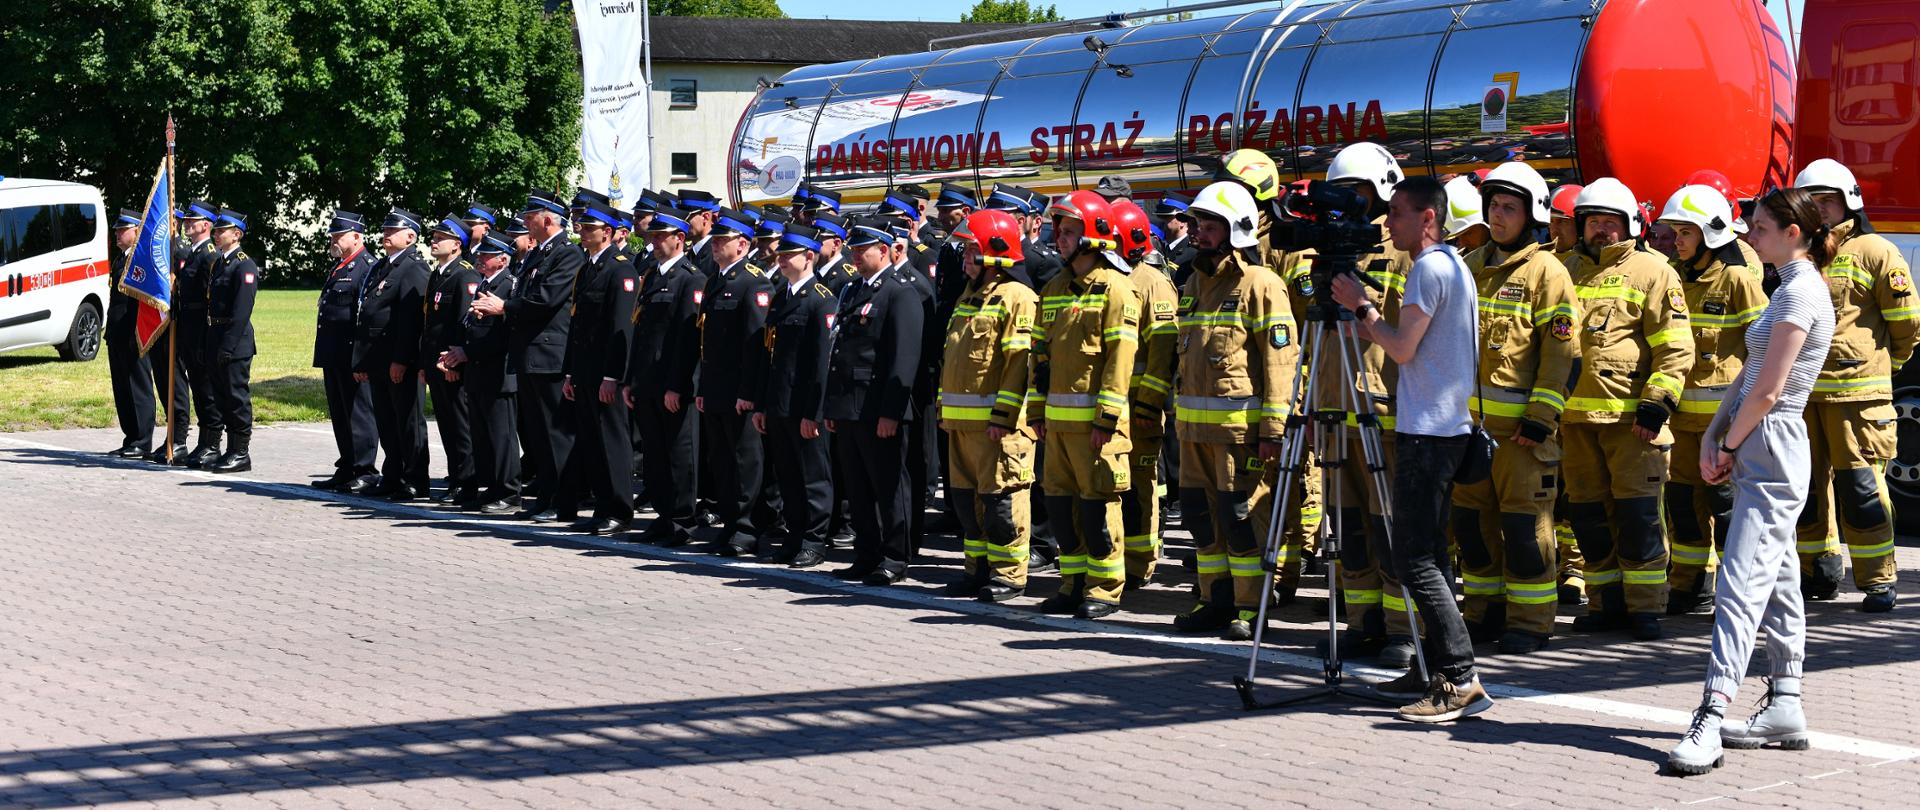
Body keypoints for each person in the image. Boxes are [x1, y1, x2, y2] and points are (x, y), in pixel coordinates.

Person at [1667, 187, 1837, 775]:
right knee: (1780, 574)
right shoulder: (1787, 288)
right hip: (1761, 439)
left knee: (1740, 584)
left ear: (1795, 232)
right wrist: (1719, 434)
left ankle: (1711, 714)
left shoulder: (1803, 291)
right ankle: (1785, 700)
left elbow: (1768, 390)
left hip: (1773, 439)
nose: (1750, 235)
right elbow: (1748, 378)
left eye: (1761, 226)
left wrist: (1728, 444)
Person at [1330, 175, 1492, 723]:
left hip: (1430, 434)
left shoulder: (1428, 267)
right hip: (1445, 429)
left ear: (1428, 218)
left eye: (1397, 212)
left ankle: (1460, 678)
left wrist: (1360, 306)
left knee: (1414, 558)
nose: (1387, 222)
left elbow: (1400, 348)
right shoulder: (1454, 266)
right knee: (1432, 556)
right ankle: (1432, 669)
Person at [1452, 162, 1580, 655]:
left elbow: (1562, 355)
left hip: (1523, 438)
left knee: (1527, 532)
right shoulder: (1471, 264)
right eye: (1493, 206)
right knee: (1472, 529)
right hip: (1469, 433)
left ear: (1531, 215)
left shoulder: (1547, 272)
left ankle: (1529, 620)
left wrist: (1540, 419)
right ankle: (1483, 613)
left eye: (1509, 207)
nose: (1498, 215)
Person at [1559, 178, 1694, 640]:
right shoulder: (1563, 271)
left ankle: (1645, 607)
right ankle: (1604, 604)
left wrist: (1656, 405)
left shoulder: (1654, 272)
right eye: (1593, 222)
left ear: (1630, 225)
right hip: (1574, 423)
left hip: (1633, 423)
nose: (1601, 230)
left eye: (1610, 223)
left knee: (1639, 519)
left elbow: (1675, 348)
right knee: (1590, 521)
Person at [1167, 182, 1296, 640]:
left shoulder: (1261, 285)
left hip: (1239, 436)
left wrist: (1273, 429)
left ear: (1236, 229)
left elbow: (1281, 362)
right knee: (1203, 521)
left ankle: (1249, 606)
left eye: (1210, 226)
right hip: (1194, 435)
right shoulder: (1194, 282)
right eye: (1198, 225)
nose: (1199, 233)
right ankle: (1213, 599)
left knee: (1242, 521)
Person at [1790, 158, 1916, 612]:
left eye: (1828, 201)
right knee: (1805, 492)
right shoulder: (1797, 255)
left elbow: (1906, 325)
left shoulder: (1875, 251)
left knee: (1862, 489)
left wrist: (1885, 365)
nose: (1821, 210)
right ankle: (1817, 573)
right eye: (1813, 202)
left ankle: (1879, 581)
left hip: (1858, 396)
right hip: (1803, 394)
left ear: (1849, 203)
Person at [1317, 142, 1416, 667]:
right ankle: (1363, 621)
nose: (1349, 205)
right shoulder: (1330, 253)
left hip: (1383, 414)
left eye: (1359, 193)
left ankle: (1404, 628)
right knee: (1349, 525)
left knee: (1390, 526)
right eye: (1343, 194)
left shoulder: (1403, 254)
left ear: (1381, 192)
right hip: (1334, 410)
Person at [1658, 185, 1768, 616]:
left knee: (1726, 509)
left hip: (1725, 423)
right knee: (1682, 504)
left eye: (1686, 232)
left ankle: (1737, 591)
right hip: (1681, 418)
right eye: (1676, 231)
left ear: (1711, 234)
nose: (1678, 240)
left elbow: (1763, 346)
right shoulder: (1670, 275)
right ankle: (1688, 585)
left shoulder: (1738, 280)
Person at [1031, 191, 1141, 619]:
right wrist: (1037, 412)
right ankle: (1072, 584)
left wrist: (1107, 420)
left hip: (1097, 430)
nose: (1059, 237)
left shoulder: (1116, 290)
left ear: (1093, 236)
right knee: (1061, 508)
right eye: (1058, 229)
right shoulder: (1056, 288)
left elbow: (1120, 363)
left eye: (1070, 230)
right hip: (1056, 428)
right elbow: (1039, 357)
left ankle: (1104, 588)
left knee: (1097, 510)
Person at [936, 209, 1040, 602]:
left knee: (1002, 503)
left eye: (970, 251)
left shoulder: (1019, 298)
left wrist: (1004, 417)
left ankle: (1009, 574)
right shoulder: (970, 295)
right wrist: (945, 409)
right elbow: (954, 359)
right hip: (962, 428)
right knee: (966, 504)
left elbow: (1019, 364)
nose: (964, 258)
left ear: (993, 253)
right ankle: (977, 570)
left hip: (998, 429)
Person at [824, 215, 925, 586]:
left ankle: (896, 557)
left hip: (879, 407)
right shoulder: (852, 289)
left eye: (861, 248)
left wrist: (891, 412)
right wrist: (833, 406)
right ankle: (866, 555)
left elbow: (904, 358)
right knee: (858, 487)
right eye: (852, 248)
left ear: (883, 250)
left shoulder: (900, 292)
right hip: (850, 407)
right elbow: (840, 351)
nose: (854, 254)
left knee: (889, 486)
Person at [472, 190, 581, 519]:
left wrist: (503, 306)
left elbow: (546, 299)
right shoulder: (537, 254)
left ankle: (564, 502)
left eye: (530, 216)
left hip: (549, 354)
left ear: (548, 219)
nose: (525, 221)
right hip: (529, 354)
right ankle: (546, 497)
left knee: (555, 433)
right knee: (537, 435)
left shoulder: (567, 254)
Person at [747, 223, 838, 568]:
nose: (782, 260)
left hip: (803, 406)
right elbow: (769, 357)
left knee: (813, 477)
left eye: (789, 255)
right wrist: (762, 404)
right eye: (781, 254)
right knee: (788, 476)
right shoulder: (781, 296)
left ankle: (814, 541)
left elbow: (820, 363)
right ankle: (795, 535)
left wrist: (813, 413)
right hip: (779, 403)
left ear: (809, 257)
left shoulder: (821, 299)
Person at [696, 208, 779, 555]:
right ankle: (731, 523)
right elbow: (706, 343)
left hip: (739, 392)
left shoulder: (754, 282)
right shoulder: (716, 280)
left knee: (746, 462)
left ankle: (747, 528)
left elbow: (756, 346)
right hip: (715, 389)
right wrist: (703, 388)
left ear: (742, 245)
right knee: (723, 462)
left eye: (722, 240)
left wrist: (749, 393)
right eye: (714, 240)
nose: (715, 246)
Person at [624, 207, 707, 546]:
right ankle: (663, 515)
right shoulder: (652, 276)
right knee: (656, 455)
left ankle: (683, 520)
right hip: (647, 381)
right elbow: (640, 333)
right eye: (653, 237)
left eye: (662, 237)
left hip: (672, 384)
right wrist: (631, 380)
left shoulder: (691, 278)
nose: (655, 242)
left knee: (679, 454)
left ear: (680, 239)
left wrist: (678, 385)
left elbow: (688, 341)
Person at [1109, 199, 1180, 590]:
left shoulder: (1152, 282)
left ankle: (1139, 563)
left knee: (1140, 486)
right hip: (1111, 406)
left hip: (1139, 408)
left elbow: (1163, 351)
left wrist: (1149, 404)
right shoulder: (1109, 277)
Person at [559, 200, 641, 535]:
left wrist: (613, 377)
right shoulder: (587, 269)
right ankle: (602, 505)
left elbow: (621, 328)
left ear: (606, 232)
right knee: (593, 441)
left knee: (612, 441)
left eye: (589, 227)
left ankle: (620, 510)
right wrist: (570, 372)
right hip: (584, 371)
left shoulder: (620, 269)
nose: (582, 230)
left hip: (605, 373)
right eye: (582, 226)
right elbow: (576, 326)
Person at [438, 231, 522, 515]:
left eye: (486, 256)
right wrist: (454, 355)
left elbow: (504, 338)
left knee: (501, 437)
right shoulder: (485, 285)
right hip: (476, 373)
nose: (480, 259)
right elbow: (468, 327)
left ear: (502, 260)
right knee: (482, 437)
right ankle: (491, 490)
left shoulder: (509, 287)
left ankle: (508, 492)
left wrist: (467, 354)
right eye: (480, 255)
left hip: (497, 374)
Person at [354, 208, 432, 498]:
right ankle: (393, 474)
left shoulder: (414, 268)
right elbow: (369, 315)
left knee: (407, 421)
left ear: (410, 236)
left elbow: (410, 321)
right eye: (385, 231)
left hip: (399, 360)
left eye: (393, 231)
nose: (386, 235)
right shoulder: (383, 266)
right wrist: (363, 360)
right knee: (386, 422)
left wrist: (401, 360)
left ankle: (415, 478)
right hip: (378, 359)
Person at [312, 210, 380, 493]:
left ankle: (365, 469)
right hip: (333, 352)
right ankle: (348, 464)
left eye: (339, 235)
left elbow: (365, 316)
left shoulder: (366, 266)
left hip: (351, 353)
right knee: (340, 412)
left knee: (359, 412)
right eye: (333, 235)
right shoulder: (342, 266)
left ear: (357, 236)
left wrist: (361, 356)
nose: (334, 240)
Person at [420, 217, 481, 504]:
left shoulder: (465, 275)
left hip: (451, 364)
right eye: (434, 236)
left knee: (460, 425)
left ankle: (467, 482)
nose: (434, 240)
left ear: (457, 245)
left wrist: (456, 361)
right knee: (446, 423)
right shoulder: (438, 274)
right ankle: (456, 478)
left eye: (441, 237)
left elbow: (462, 322)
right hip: (436, 362)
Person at [159, 200, 223, 467]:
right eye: (186, 220)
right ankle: (203, 443)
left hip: (200, 330)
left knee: (207, 390)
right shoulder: (197, 253)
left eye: (192, 221)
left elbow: (211, 299)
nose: (187, 224)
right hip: (188, 328)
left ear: (205, 225)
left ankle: (212, 444)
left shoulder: (209, 254)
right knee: (198, 388)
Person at [201, 208, 259, 473]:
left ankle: (240, 452)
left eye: (221, 230)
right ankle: (228, 449)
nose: (216, 233)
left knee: (236, 397)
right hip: (215, 335)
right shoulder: (220, 262)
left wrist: (228, 345)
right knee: (221, 396)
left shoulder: (244, 264)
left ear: (236, 234)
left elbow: (242, 310)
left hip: (234, 341)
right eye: (216, 230)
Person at [103, 209, 155, 459]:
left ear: (137, 231)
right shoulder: (120, 259)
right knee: (122, 388)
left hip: (134, 334)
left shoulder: (139, 259)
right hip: (118, 333)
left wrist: (137, 333)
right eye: (116, 229)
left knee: (138, 387)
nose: (117, 233)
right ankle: (131, 437)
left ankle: (143, 440)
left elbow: (139, 304)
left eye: (122, 229)